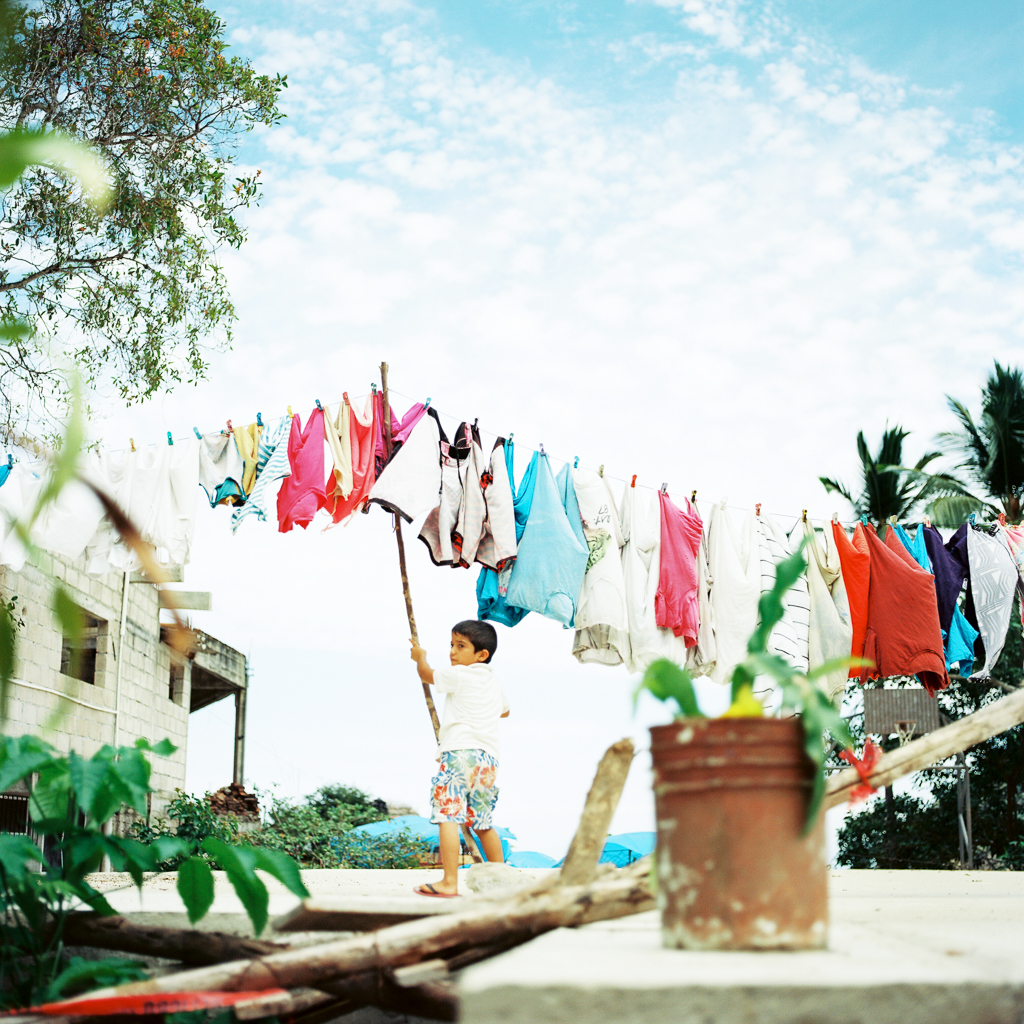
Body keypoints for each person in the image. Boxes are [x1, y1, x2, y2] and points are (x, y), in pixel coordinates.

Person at [409, 619, 510, 897]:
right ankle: (501, 881)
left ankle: (449, 882)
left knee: (448, 816)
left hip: (459, 754)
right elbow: (504, 712)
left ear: (481, 655)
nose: (452, 652)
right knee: (483, 822)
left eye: (460, 646)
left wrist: (420, 657)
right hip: (487, 760)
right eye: (451, 645)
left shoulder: (461, 675)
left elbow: (427, 675)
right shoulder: (492, 680)